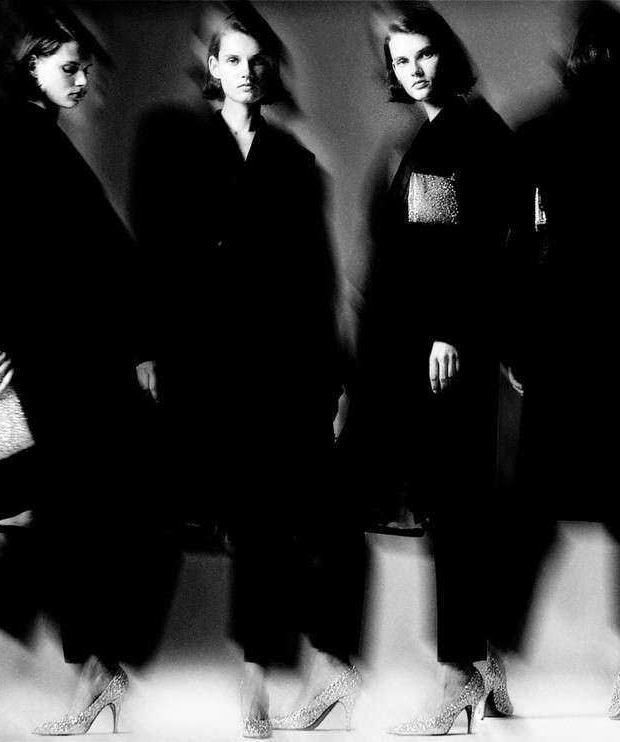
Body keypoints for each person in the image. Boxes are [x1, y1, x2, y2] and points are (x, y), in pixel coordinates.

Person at [139, 12, 362, 738]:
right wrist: (149, 350)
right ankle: (113, 668)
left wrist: (330, 375)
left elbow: (318, 274)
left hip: (281, 366)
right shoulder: (178, 146)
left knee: (273, 529)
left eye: (258, 59)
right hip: (202, 363)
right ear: (212, 67)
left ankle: (260, 687)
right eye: (233, 59)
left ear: (271, 70)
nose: (247, 71)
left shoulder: (294, 159)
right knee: (185, 515)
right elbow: (157, 255)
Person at [0, 13, 178, 734]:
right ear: (30, 64)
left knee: (89, 517)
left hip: (61, 358)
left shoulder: (36, 133)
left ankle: (94, 673)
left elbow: (99, 252)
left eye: (86, 69)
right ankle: (52, 652)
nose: (84, 82)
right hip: (33, 362)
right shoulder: (7, 130)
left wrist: (139, 344)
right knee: (69, 516)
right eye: (70, 68)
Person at [491, 0, 620, 723]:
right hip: (605, 344)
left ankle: (503, 656)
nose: (595, 63)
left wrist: (518, 337)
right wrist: (516, 337)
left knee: (562, 515)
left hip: (598, 343)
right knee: (589, 516)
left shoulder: (547, 132)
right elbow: (518, 246)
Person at [336, 4, 512, 735]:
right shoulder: (423, 135)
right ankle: (472, 667)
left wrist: (450, 329)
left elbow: (475, 247)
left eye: (424, 55)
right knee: (430, 509)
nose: (412, 70)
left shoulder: (465, 134)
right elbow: (404, 249)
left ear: (448, 53)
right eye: (400, 60)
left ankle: (458, 675)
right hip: (398, 352)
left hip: (440, 353)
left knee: (454, 512)